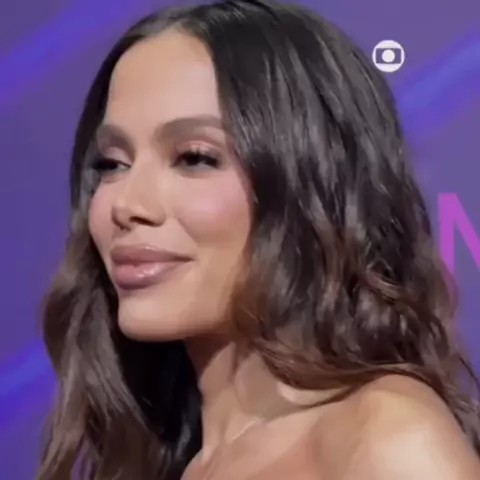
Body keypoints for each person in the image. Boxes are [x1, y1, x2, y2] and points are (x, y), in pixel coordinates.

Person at [37, 0, 480, 478]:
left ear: (311, 186)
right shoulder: (169, 459)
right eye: (112, 163)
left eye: (194, 157)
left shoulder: (382, 439)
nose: (126, 204)